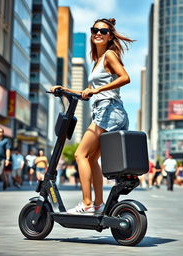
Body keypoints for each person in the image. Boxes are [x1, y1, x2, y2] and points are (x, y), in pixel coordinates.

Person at [50, 18, 133, 214]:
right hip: (108, 111)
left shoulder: (110, 55)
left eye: (103, 31)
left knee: (80, 155)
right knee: (92, 159)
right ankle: (97, 204)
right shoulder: (98, 61)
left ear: (110, 35)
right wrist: (64, 89)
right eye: (95, 29)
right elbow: (88, 91)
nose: (98, 33)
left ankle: (86, 203)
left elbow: (125, 78)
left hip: (109, 111)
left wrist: (98, 91)